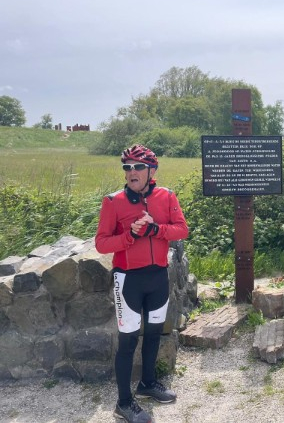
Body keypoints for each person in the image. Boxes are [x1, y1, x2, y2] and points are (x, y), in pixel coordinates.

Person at [95, 144, 189, 423]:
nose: (131, 172)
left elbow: (182, 229)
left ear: (151, 171)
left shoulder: (166, 196)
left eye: (138, 167)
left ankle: (147, 383)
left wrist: (155, 229)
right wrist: (130, 236)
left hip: (158, 276)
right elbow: (101, 244)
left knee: (153, 333)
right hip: (128, 280)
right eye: (127, 167)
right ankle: (123, 403)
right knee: (127, 341)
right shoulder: (113, 201)